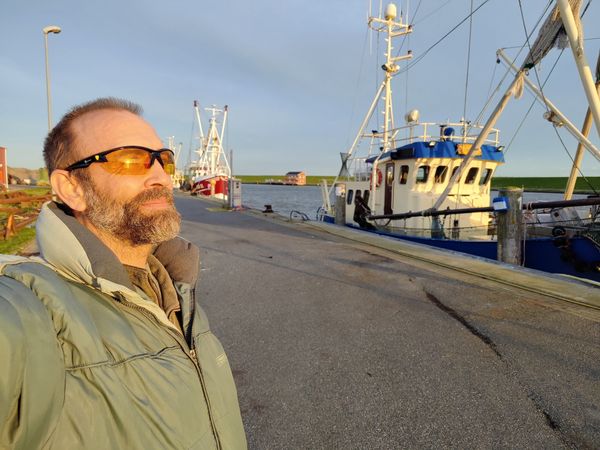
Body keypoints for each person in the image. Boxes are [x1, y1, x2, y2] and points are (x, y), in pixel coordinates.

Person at [0, 98, 247, 449]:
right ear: (72, 189)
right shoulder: (32, 309)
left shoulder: (176, 289)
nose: (160, 176)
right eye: (129, 160)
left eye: (164, 159)